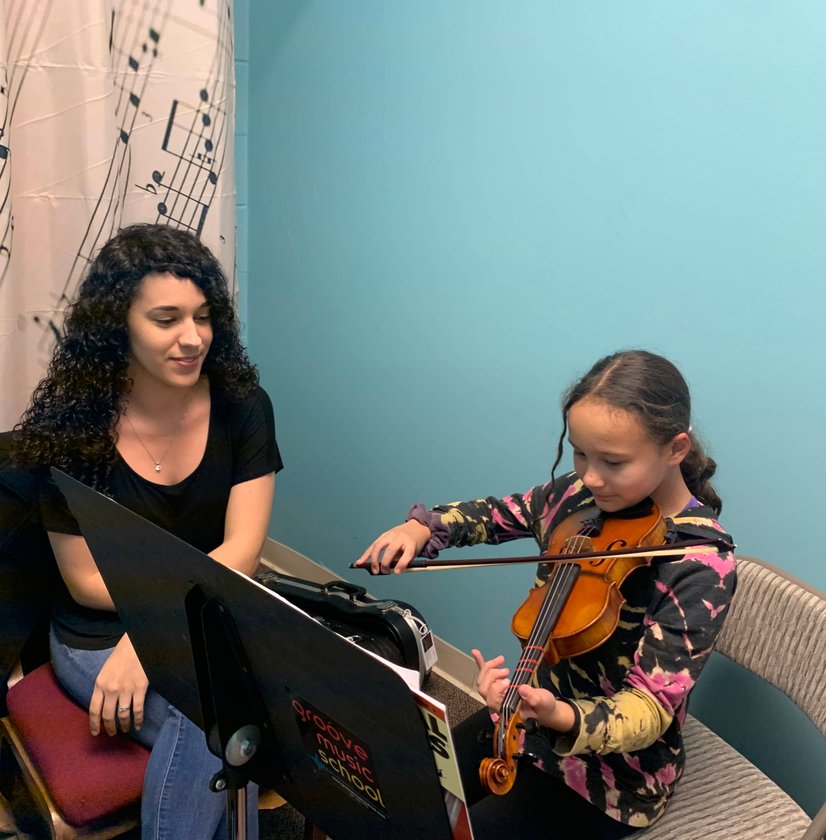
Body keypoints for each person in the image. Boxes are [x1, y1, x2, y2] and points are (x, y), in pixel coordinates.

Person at [356, 349, 736, 839]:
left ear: (676, 449)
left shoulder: (701, 562)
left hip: (613, 776)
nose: (590, 477)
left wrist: (556, 714)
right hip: (527, 718)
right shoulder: (577, 498)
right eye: (580, 453)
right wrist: (421, 529)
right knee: (405, 791)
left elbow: (648, 710)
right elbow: (495, 515)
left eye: (614, 462)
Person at [13, 223, 282, 840]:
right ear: (118, 326)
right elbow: (85, 582)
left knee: (222, 724)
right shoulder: (72, 422)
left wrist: (160, 631)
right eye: (166, 319)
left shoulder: (245, 405)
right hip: (100, 635)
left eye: (203, 316)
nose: (193, 339)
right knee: (222, 724)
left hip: (207, 620)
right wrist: (153, 631)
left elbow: (243, 549)